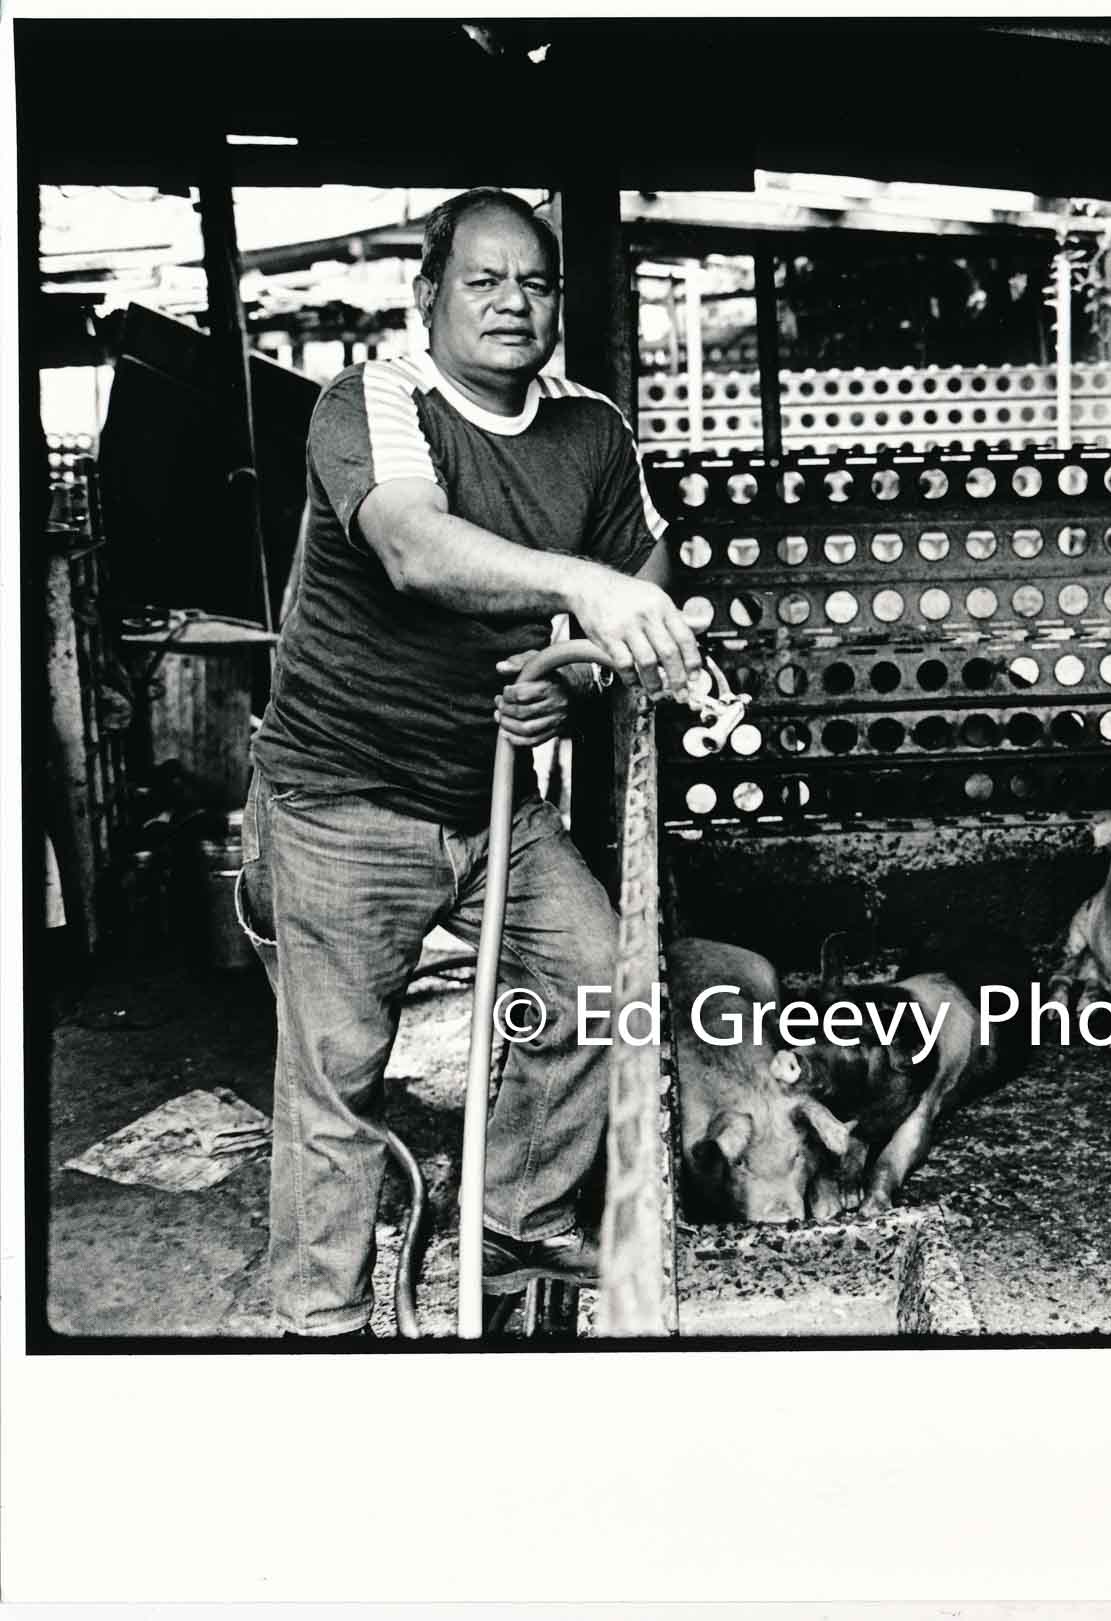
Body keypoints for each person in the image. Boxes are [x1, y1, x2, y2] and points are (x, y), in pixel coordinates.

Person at [241, 187, 702, 1338]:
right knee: (339, 1076)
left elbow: (644, 573)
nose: (512, 302)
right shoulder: (375, 400)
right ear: (428, 295)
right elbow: (411, 544)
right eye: (482, 280)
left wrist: (575, 671)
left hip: (494, 803)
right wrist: (578, 588)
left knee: (603, 987)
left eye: (535, 283)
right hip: (344, 797)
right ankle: (320, 1319)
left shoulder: (589, 428)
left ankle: (510, 1219)